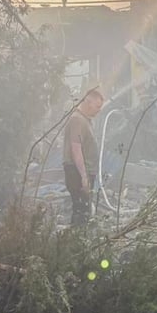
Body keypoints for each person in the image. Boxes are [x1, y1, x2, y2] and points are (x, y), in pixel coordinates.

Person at [62, 88, 104, 227]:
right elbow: (76, 149)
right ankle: (76, 243)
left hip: (82, 172)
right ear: (88, 102)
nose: (99, 110)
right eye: (97, 106)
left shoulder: (84, 120)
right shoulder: (77, 120)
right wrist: (84, 177)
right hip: (77, 173)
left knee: (83, 210)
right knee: (82, 211)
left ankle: (77, 241)